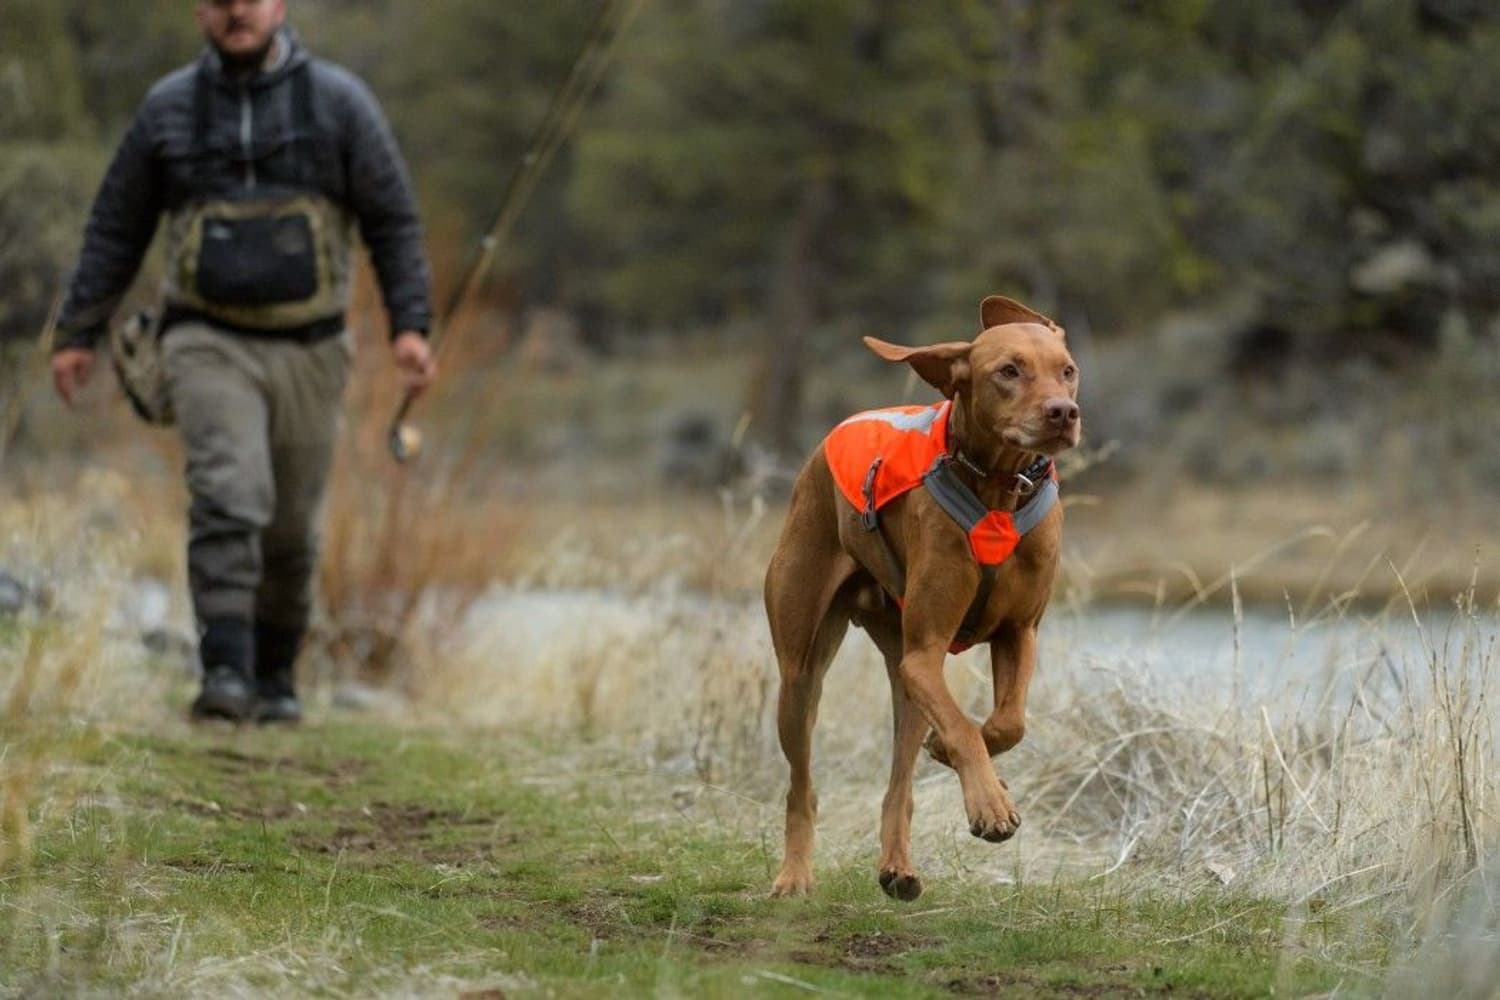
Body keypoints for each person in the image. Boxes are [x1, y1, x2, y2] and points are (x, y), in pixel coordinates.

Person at [50, 0, 436, 723]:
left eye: (249, 0)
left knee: (291, 524)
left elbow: (393, 220)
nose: (236, 13)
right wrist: (77, 333)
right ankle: (224, 670)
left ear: (278, 6)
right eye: (221, 1)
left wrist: (410, 327)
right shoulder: (166, 110)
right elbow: (116, 225)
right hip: (205, 340)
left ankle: (276, 676)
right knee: (230, 496)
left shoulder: (340, 102)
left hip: (314, 348)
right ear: (200, 10)